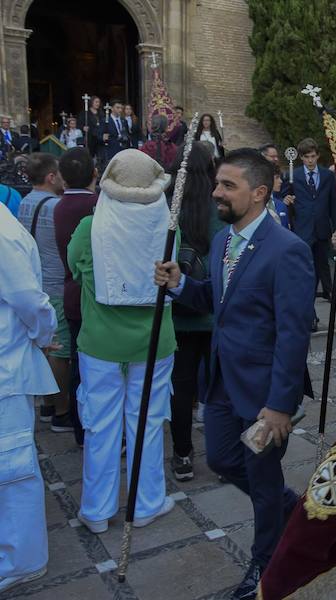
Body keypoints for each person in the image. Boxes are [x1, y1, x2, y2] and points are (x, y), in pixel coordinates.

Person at [154, 148, 316, 599]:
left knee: (262, 484)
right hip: (223, 379)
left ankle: (265, 569)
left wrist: (281, 404)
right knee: (223, 460)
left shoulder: (289, 251)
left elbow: (293, 334)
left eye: (229, 185)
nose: (217, 192)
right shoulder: (225, 240)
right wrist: (181, 285)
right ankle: (294, 509)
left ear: (260, 193)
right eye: (217, 183)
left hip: (265, 392)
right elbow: (220, 302)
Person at [68, 150, 177, 539]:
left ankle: (97, 509)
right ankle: (146, 503)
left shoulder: (89, 226)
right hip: (154, 342)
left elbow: (76, 268)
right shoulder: (168, 226)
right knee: (147, 422)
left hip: (101, 342)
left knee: (100, 425)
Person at [0, 200, 58, 595]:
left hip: (6, 365)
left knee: (12, 462)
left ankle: (22, 559)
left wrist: (42, 335)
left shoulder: (3, 235)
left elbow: (28, 298)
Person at [166, 143, 224, 480]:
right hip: (213, 306)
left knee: (182, 385)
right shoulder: (219, 204)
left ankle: (182, 455)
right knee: (217, 385)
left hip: (181, 306)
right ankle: (222, 454)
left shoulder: (168, 204)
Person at [15, 153, 72, 432]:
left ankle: (48, 403)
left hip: (36, 280)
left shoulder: (25, 202)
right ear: (51, 177)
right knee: (59, 350)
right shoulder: (55, 206)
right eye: (59, 174)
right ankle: (61, 411)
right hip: (55, 282)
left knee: (46, 346)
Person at [54, 147, 99, 447]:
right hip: (92, 296)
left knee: (77, 363)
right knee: (95, 368)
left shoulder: (58, 206)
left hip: (71, 291)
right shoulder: (96, 204)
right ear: (94, 174)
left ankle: (79, 428)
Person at [284, 138, 336, 307]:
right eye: (306, 157)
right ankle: (308, 299)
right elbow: (283, 196)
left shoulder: (328, 176)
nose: (310, 160)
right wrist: (285, 200)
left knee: (323, 262)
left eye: (313, 156)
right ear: (301, 157)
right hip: (303, 228)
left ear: (318, 156)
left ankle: (329, 291)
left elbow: (333, 204)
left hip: (322, 227)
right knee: (307, 266)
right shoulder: (293, 175)